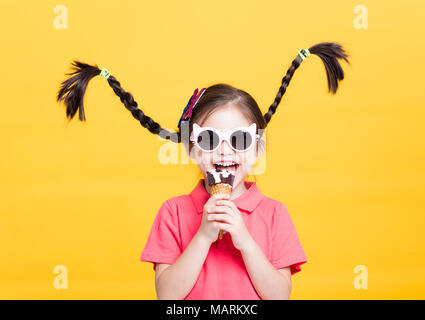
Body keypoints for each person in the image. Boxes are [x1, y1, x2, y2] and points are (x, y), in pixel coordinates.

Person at [56, 42, 349, 299]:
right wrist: (204, 235)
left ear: (258, 149)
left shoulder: (275, 214)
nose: (224, 151)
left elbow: (279, 295)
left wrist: (245, 241)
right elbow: (167, 295)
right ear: (191, 148)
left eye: (239, 139)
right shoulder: (173, 212)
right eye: (209, 140)